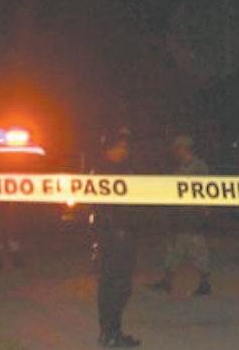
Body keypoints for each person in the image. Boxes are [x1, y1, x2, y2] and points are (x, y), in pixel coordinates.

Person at [91, 127, 142, 348]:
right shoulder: (102, 171)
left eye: (126, 147)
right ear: (109, 149)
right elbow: (100, 208)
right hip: (111, 236)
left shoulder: (126, 169)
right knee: (113, 285)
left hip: (126, 233)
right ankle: (109, 332)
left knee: (123, 286)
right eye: (120, 147)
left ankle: (114, 331)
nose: (124, 151)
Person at [149, 134, 212, 296]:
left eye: (178, 148)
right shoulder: (180, 167)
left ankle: (204, 282)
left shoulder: (198, 167)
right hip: (181, 213)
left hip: (193, 214)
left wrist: (204, 210)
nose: (176, 152)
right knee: (175, 248)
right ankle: (167, 281)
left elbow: (204, 189)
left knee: (195, 248)